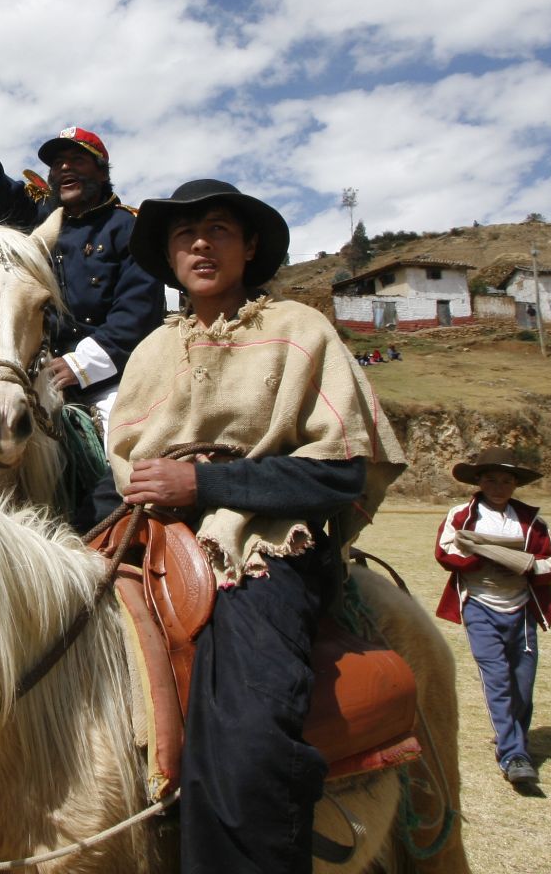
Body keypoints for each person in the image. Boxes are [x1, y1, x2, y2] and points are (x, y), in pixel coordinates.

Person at [105, 178, 404, 874]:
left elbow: (341, 472)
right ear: (169, 257)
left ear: (251, 247)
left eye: (218, 230)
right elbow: (117, 469)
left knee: (244, 733)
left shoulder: (299, 330)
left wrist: (204, 483)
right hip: (147, 542)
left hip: (262, 548)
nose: (201, 243)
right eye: (185, 234)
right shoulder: (149, 352)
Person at [0, 88, 166, 424]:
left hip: (110, 380)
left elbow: (138, 312)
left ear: (103, 173)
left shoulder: (129, 228)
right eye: (57, 163)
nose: (65, 168)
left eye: (77, 160)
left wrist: (80, 365)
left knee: (121, 439)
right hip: (32, 373)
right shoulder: (33, 217)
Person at [434, 447, 551, 793]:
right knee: (497, 678)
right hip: (479, 605)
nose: (498, 485)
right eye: (491, 478)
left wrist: (526, 564)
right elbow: (446, 552)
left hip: (521, 609)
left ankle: (514, 740)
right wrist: (481, 553)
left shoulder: (530, 521)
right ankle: (513, 756)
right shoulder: (462, 516)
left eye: (506, 480)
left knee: (522, 684)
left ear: (515, 484)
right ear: (478, 481)